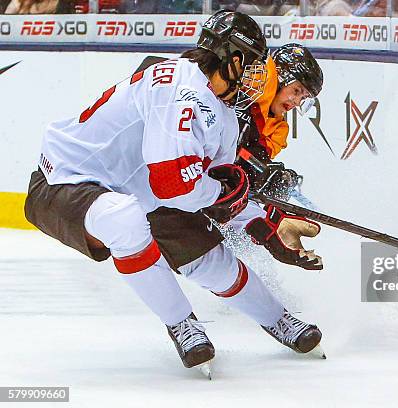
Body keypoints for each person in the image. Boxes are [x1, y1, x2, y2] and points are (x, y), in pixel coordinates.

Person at [24, 10, 324, 375]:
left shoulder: (226, 118)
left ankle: (279, 320)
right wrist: (226, 193)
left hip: (141, 191)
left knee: (210, 261)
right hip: (67, 180)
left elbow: (218, 191)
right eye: (254, 67)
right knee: (124, 220)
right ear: (233, 60)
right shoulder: (178, 87)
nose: (258, 80)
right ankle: (182, 322)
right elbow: (175, 185)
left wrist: (268, 227)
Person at [236, 43, 324, 201]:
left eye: (303, 98)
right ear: (280, 78)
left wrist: (271, 176)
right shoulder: (247, 88)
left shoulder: (278, 130)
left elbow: (251, 163)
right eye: (296, 91)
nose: (296, 102)